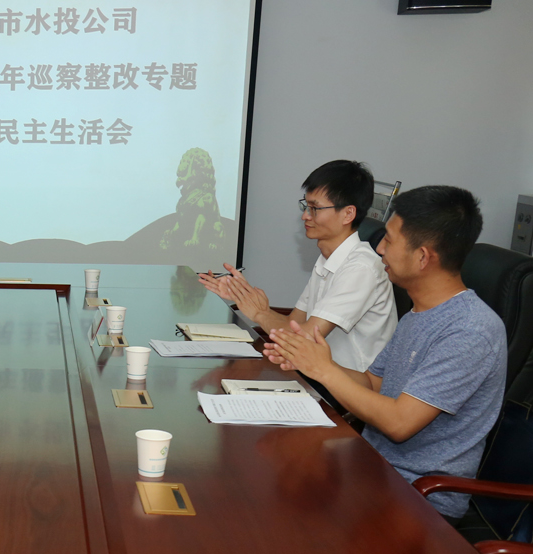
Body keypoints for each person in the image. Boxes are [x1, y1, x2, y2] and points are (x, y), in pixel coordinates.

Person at [265, 185, 505, 519]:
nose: (379, 248)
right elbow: (374, 383)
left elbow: (399, 422)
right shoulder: (419, 313)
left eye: (389, 241)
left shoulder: (469, 330)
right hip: (372, 471)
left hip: (420, 501)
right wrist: (309, 359)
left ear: (423, 257)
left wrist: (324, 370)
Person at [199, 160, 397, 372]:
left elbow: (303, 340)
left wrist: (260, 314)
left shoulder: (361, 268)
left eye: (315, 208)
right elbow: (293, 325)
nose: (305, 216)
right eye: (306, 206)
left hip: (351, 386)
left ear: (348, 214)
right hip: (320, 376)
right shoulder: (328, 260)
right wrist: (246, 298)